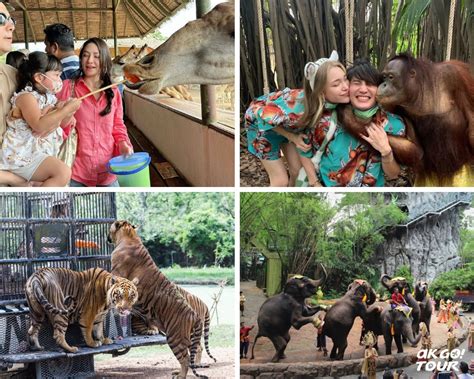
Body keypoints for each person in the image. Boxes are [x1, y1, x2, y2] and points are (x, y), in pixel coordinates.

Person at [244, 51, 349, 186]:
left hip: (287, 126)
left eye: (345, 79)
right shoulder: (298, 108)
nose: (346, 87)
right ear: (321, 91)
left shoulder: (327, 105)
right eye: (336, 84)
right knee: (280, 180)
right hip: (261, 125)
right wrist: (292, 137)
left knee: (296, 171)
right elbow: (261, 116)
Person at [296, 58, 406, 186]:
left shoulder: (395, 125)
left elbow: (393, 174)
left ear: (379, 88)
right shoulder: (325, 120)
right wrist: (315, 183)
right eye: (357, 83)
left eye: (370, 84)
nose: (363, 89)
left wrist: (386, 152)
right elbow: (304, 151)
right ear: (348, 86)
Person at [56, 38, 133, 187]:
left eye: (96, 56)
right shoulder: (67, 87)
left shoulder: (114, 91)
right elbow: (54, 128)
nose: (90, 60)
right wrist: (63, 113)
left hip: (108, 171)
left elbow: (117, 125)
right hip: (75, 173)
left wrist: (123, 143)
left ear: (104, 60)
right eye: (85, 55)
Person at [0, 52, 81, 186]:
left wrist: (69, 111)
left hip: (38, 153)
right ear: (39, 77)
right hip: (22, 154)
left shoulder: (49, 97)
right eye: (56, 75)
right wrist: (64, 110)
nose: (59, 80)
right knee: (62, 173)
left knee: (58, 176)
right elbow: (39, 125)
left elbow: (62, 123)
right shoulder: (26, 97)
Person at [0, 2, 30, 186]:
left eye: (11, 19)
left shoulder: (14, 76)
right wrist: (13, 179)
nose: (10, 26)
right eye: (0, 19)